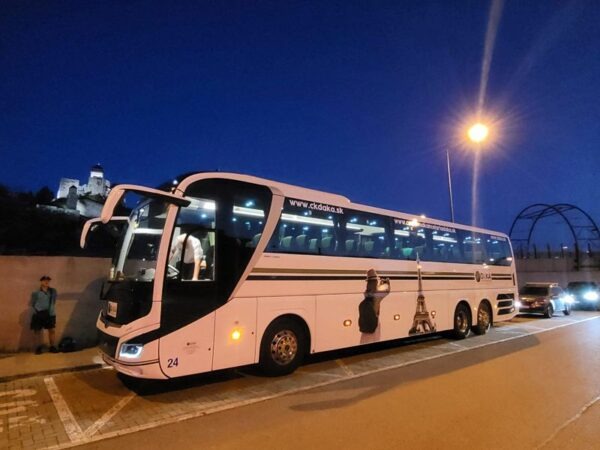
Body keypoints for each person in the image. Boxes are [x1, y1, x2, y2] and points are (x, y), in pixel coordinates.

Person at [30, 275, 58, 354]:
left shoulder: (53, 291)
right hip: (39, 313)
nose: (46, 282)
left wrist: (50, 309)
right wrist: (38, 310)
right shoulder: (36, 293)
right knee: (38, 331)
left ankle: (52, 347)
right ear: (41, 281)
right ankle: (38, 348)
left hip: (50, 314)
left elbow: (54, 301)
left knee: (52, 330)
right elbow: (33, 303)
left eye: (48, 280)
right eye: (44, 280)